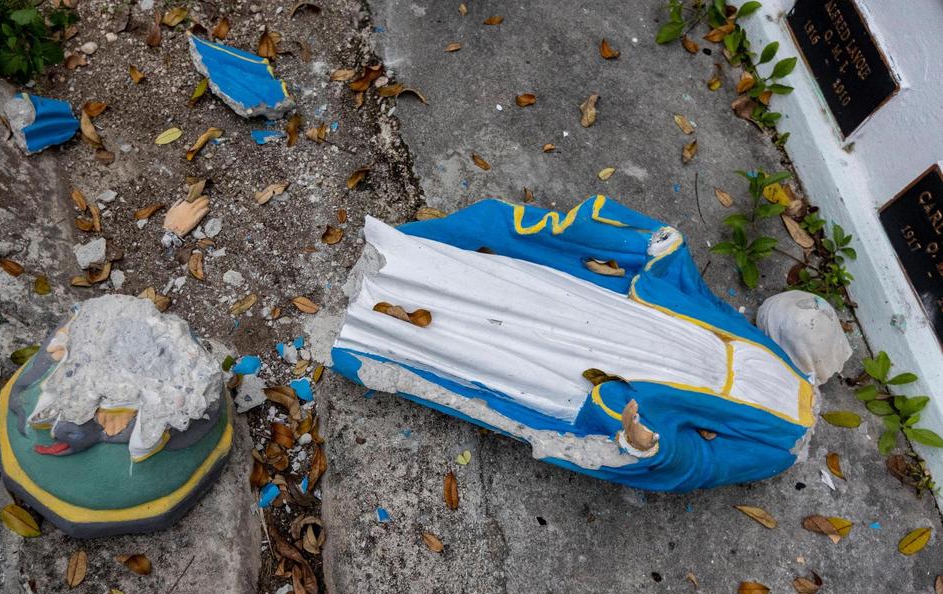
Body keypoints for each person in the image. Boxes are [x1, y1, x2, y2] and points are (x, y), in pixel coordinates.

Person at [328, 196, 851, 492]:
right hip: (620, 317)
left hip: (622, 384)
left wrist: (654, 444)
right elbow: (701, 305)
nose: (804, 326)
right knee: (518, 293)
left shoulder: (779, 447)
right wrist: (669, 255)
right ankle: (404, 268)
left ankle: (380, 332)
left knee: (506, 359)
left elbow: (705, 465)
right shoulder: (775, 351)